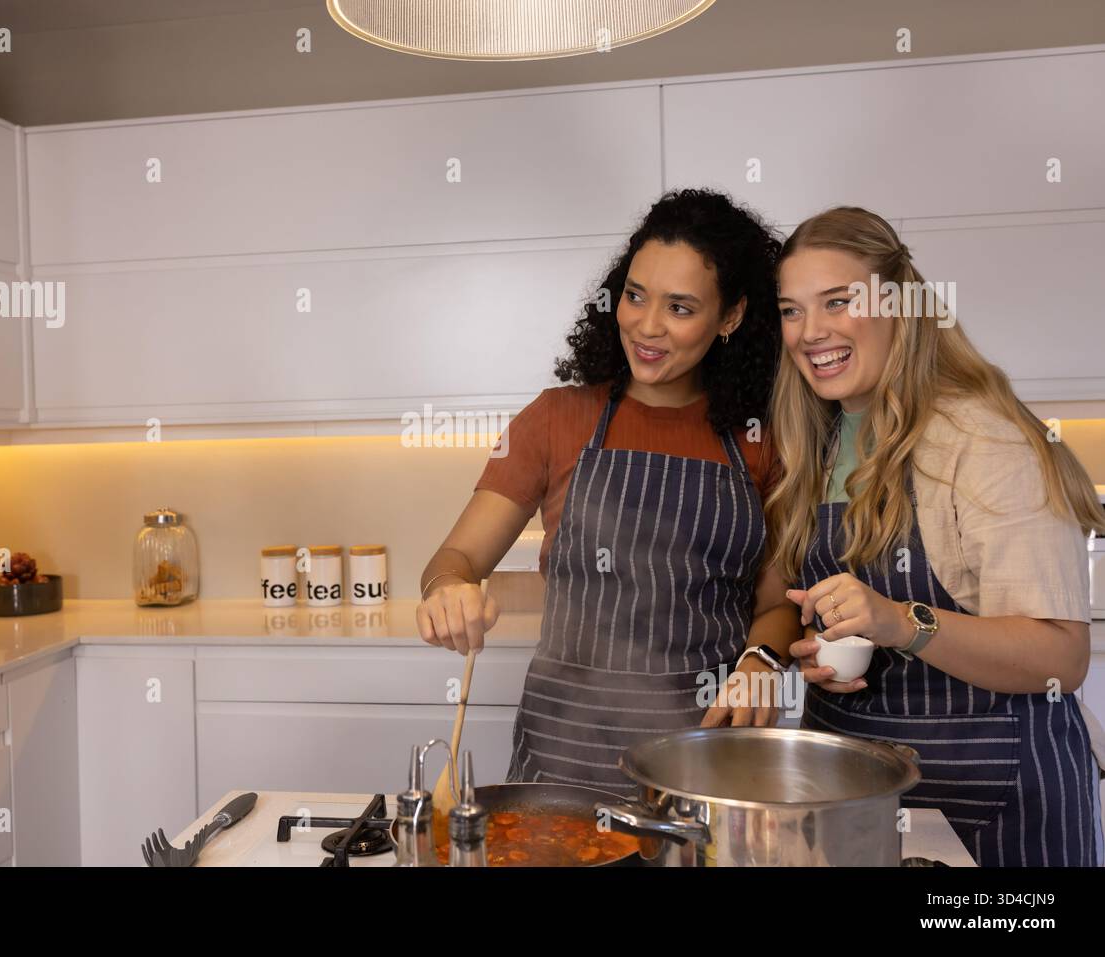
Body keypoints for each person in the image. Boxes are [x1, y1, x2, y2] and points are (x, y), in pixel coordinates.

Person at [416, 189, 801, 794]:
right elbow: (455, 560)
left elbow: (777, 604)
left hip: (706, 753)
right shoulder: (556, 417)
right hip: (562, 756)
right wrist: (447, 592)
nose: (646, 326)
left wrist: (761, 661)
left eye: (680, 308)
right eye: (635, 295)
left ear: (730, 318)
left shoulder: (761, 440)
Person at [771, 206, 1105, 866]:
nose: (811, 332)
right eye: (791, 310)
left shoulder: (986, 437)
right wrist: (810, 649)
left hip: (997, 803)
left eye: (837, 301)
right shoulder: (814, 440)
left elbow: (1060, 658)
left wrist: (901, 621)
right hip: (854, 793)